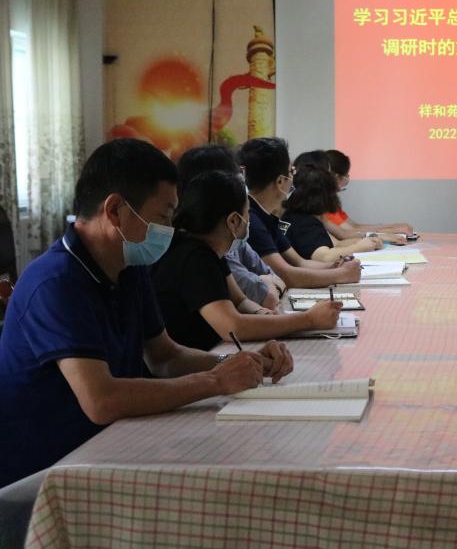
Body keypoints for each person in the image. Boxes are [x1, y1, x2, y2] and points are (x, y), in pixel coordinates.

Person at [0, 139, 293, 489]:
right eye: (163, 218)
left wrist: (241, 362)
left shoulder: (128, 267)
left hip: (108, 444)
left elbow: (165, 357)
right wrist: (215, 381)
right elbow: (101, 400)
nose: (169, 230)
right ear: (115, 211)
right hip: (45, 473)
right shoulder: (55, 282)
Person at [151, 170, 344, 351]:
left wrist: (262, 314)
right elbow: (233, 326)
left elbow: (240, 301)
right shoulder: (194, 256)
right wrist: (309, 319)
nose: (249, 220)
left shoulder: (211, 251)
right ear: (233, 221)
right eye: (247, 213)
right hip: (196, 362)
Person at [237, 138, 361, 288]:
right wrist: (341, 274)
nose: (294, 178)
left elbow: (300, 262)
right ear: (280, 181)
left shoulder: (267, 216)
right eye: (291, 172)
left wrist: (336, 266)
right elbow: (286, 275)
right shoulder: (252, 220)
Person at [177, 145, 285, 309]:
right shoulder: (203, 250)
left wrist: (267, 282)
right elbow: (267, 298)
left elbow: (274, 278)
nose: (242, 184)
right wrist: (267, 283)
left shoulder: (234, 238)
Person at [283, 166, 378, 261]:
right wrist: (359, 247)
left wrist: (366, 242)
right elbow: (324, 256)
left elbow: (336, 245)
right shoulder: (305, 223)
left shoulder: (293, 216)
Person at [323, 149, 414, 242]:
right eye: (346, 174)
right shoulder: (323, 203)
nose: (348, 178)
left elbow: (354, 226)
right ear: (337, 177)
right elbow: (346, 232)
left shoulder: (331, 200)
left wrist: (392, 226)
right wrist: (390, 231)